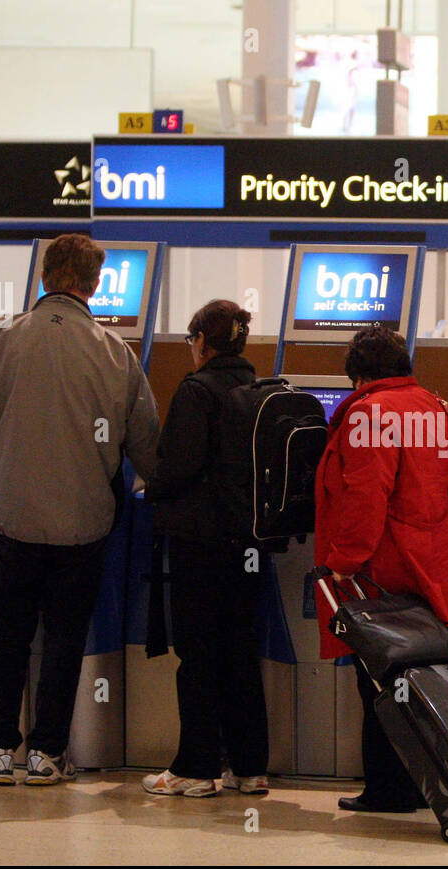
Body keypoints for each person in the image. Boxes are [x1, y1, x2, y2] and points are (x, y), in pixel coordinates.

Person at [0, 233, 159, 786]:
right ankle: (46, 753)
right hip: (85, 519)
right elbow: (147, 445)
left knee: (7, 629)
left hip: (10, 512)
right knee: (65, 636)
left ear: (44, 278)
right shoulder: (118, 352)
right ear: (92, 285)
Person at [315, 326, 448, 813]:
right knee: (425, 677)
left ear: (359, 374)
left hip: (388, 570)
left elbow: (366, 497)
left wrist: (340, 564)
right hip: (439, 560)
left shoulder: (371, 413)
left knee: (380, 676)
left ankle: (389, 789)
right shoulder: (432, 404)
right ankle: (422, 783)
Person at [140, 300, 271, 798]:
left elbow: (177, 466)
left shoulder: (197, 391)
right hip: (251, 545)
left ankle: (196, 768)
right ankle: (250, 767)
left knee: (197, 655)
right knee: (239, 651)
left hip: (201, 542)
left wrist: (152, 487)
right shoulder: (258, 389)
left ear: (201, 341)